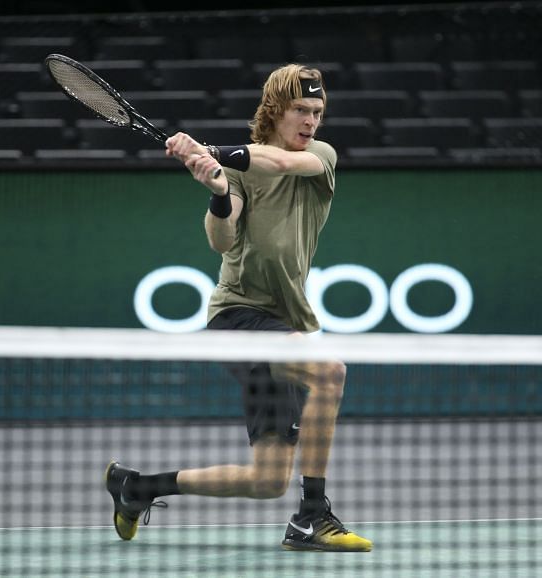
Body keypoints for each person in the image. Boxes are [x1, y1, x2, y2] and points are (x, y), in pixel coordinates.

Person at [104, 63, 372, 553]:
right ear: (275, 110)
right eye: (300, 110)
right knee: (329, 372)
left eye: (317, 111)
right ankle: (312, 515)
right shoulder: (235, 169)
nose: (311, 121)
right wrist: (220, 190)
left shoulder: (321, 157)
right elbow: (222, 241)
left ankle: (137, 487)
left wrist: (210, 152)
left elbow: (284, 165)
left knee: (267, 479)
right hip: (238, 317)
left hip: (288, 322)